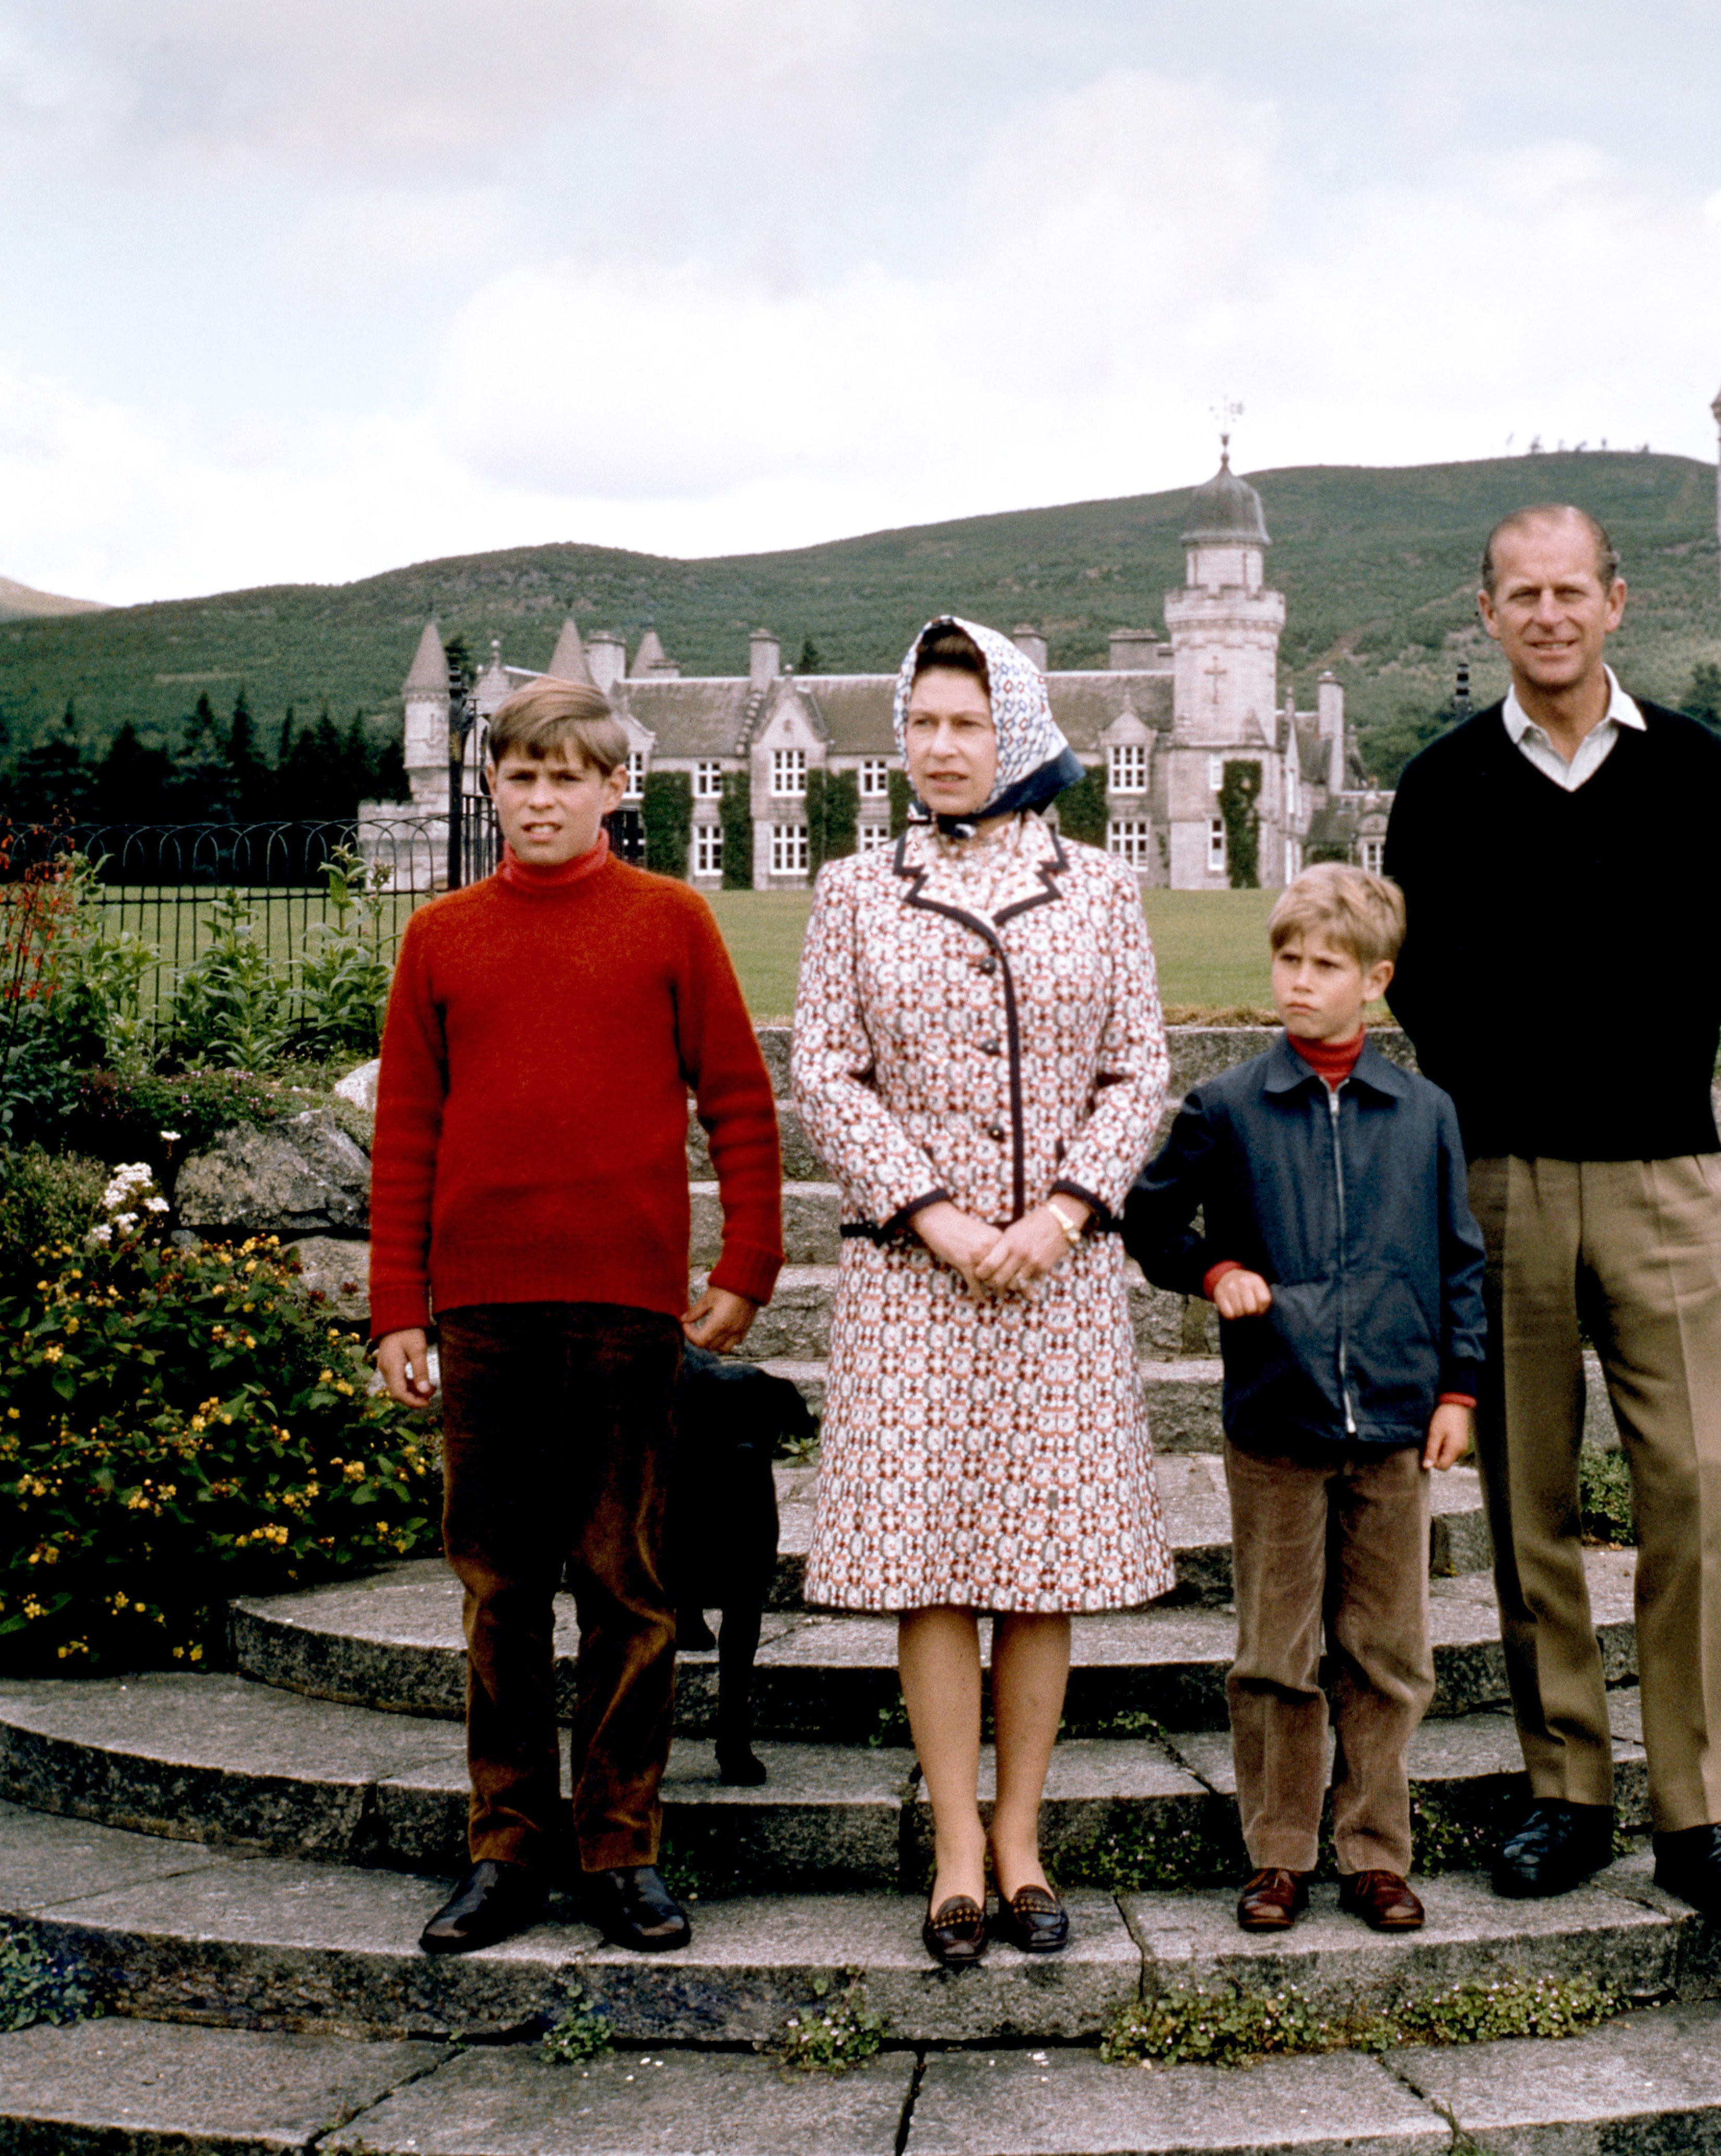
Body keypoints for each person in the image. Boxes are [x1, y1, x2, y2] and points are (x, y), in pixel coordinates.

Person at [1380, 504, 1721, 1924]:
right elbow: (1430, 987)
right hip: (1502, 1178)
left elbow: (1711, 960)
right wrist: (1538, 1052)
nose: (1547, 614)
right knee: (1526, 1498)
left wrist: (1568, 1028)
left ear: (1614, 602)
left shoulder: (1696, 772)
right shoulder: (1438, 788)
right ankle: (1567, 1791)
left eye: (1571, 590)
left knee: (1684, 1487)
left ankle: (1698, 1811)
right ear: (1485, 612)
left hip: (1663, 1169)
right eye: (1520, 594)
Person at [369, 676, 783, 1959]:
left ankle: (620, 1849)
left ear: (616, 788)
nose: (541, 797)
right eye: (520, 774)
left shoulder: (671, 923)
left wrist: (749, 1264)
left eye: (568, 776)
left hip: (625, 1306)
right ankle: (507, 1849)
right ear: (489, 784)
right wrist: (398, 1308)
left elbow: (740, 1104)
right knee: (498, 1589)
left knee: (627, 1584)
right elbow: (406, 1135)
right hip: (484, 1308)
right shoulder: (441, 936)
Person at [791, 615, 1175, 1967]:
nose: (939, 749)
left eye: (964, 723)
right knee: (933, 1567)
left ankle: (1023, 1836)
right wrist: (939, 1217)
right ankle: (954, 1843)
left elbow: (1139, 1069)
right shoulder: (853, 888)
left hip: (1058, 1279)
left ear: (1013, 729)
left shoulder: (1101, 889)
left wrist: (1068, 1208)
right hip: (914, 1277)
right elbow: (826, 1071)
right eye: (920, 723)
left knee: (1042, 1563)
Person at [1123, 865, 1483, 1935]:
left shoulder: (1423, 1114)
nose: (1299, 982)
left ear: (1372, 982)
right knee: (1275, 1653)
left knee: (1387, 1653)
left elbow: (1460, 1262)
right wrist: (1211, 1270)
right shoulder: (1228, 1107)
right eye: (1286, 960)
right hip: (1274, 1424)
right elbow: (1148, 1222)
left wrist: (1457, 1390)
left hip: (1392, 1426)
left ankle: (1373, 1849)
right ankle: (1276, 1852)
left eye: (1325, 966)